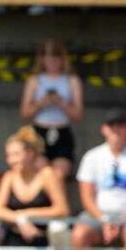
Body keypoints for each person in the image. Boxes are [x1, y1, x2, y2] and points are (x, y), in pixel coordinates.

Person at [0, 127, 69, 248]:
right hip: (14, 239)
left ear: (30, 154)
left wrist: (27, 214)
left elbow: (62, 209)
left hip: (43, 240)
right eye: (8, 155)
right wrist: (20, 220)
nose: (11, 160)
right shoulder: (9, 176)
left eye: (16, 154)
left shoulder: (47, 174)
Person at [19, 38, 82, 180]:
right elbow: (24, 113)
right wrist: (42, 103)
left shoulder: (71, 80)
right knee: (42, 173)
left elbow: (78, 115)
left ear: (62, 60)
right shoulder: (35, 80)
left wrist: (61, 103)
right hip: (40, 132)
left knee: (58, 175)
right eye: (49, 58)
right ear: (42, 60)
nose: (52, 63)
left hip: (62, 132)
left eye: (56, 58)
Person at [71, 111, 126, 250]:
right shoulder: (92, 157)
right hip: (97, 214)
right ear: (104, 129)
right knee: (80, 235)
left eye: (120, 125)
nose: (116, 129)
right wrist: (105, 220)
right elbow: (87, 198)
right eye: (111, 125)